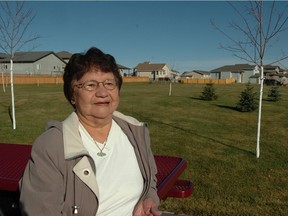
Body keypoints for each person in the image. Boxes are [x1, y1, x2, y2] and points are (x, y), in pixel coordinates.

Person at [19, 47, 162, 216]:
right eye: (90, 85)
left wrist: (149, 198)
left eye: (109, 83)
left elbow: (150, 179)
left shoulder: (136, 131)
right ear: (72, 95)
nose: (102, 92)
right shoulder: (52, 146)